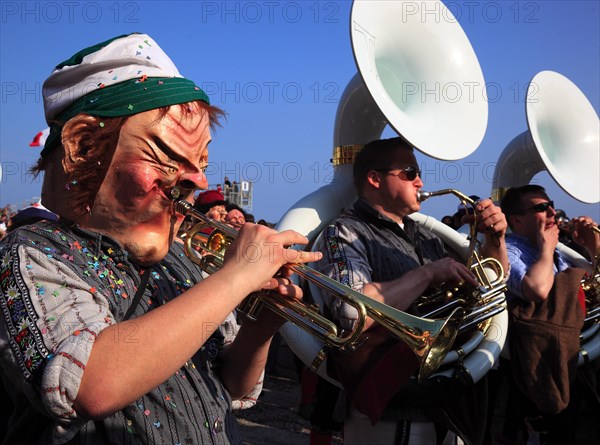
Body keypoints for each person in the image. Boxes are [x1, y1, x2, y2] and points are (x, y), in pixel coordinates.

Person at [0, 33, 321, 444]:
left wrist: (262, 327)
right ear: (80, 145)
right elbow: (88, 386)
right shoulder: (29, 254)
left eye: (201, 162)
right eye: (168, 156)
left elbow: (231, 389)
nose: (198, 180)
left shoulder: (182, 263)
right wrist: (236, 278)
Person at [311, 137, 509, 444]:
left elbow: (489, 287)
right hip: (391, 412)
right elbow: (351, 313)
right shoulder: (346, 230)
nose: (420, 181)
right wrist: (428, 273)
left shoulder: (427, 237)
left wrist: (495, 240)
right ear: (374, 178)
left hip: (445, 406)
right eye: (409, 172)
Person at [498, 184, 600, 444]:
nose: (553, 212)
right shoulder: (511, 250)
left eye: (551, 205)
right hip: (532, 367)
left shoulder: (557, 253)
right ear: (516, 220)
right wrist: (546, 250)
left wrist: (592, 247)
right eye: (541, 208)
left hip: (568, 357)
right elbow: (536, 289)